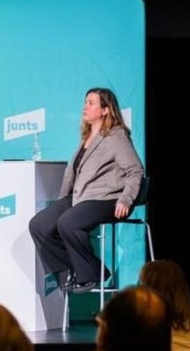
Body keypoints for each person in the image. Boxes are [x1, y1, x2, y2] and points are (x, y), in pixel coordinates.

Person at [29, 87, 144, 293]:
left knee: (68, 222)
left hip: (108, 198)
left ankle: (91, 273)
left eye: (91, 103)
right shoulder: (87, 137)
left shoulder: (116, 136)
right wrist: (63, 200)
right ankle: (71, 271)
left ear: (105, 110)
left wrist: (126, 199)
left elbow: (135, 170)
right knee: (39, 225)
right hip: (79, 197)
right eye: (85, 102)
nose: (85, 106)